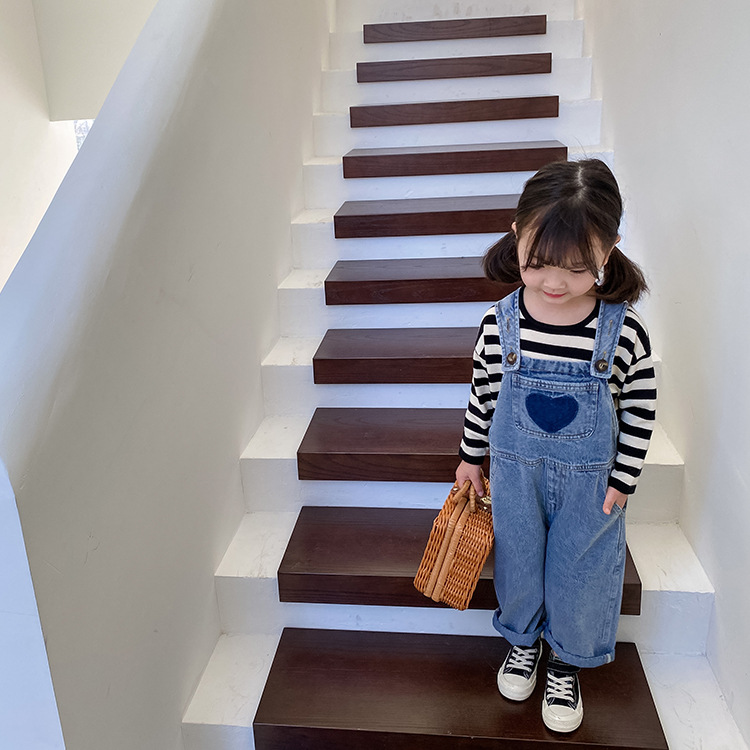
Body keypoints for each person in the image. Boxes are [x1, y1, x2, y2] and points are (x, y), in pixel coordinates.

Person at [455, 159, 656, 733]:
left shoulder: (622, 331)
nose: (553, 282)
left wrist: (623, 479)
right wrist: (470, 457)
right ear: (516, 234)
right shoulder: (499, 324)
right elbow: (483, 394)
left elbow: (640, 410)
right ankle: (523, 642)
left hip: (592, 486)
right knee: (519, 561)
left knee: (579, 571)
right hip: (514, 475)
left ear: (610, 250)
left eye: (575, 268)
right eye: (538, 262)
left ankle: (566, 659)